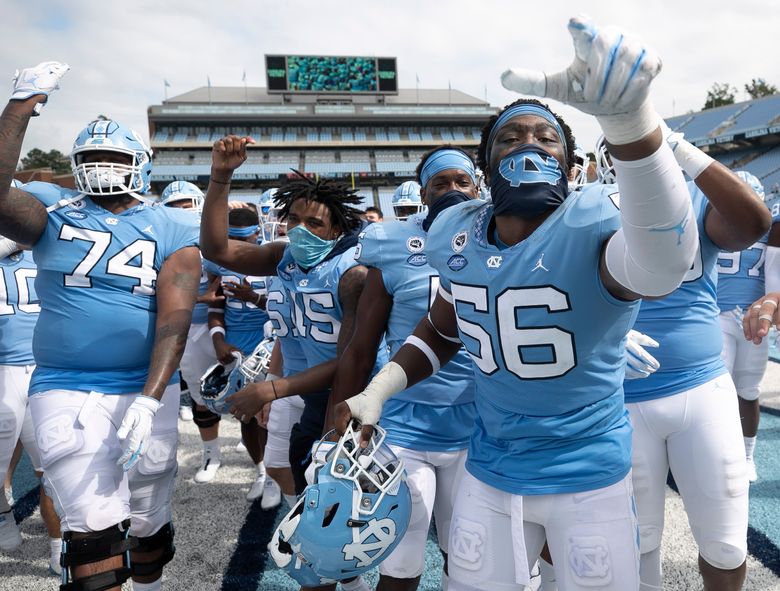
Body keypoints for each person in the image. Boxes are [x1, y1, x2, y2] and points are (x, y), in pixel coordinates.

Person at [336, 16, 701, 590]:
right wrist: (380, 389)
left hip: (587, 470)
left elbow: (664, 264)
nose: (527, 143)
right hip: (491, 466)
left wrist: (631, 123)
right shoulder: (455, 232)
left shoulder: (594, 218)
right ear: (485, 167)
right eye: (509, 136)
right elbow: (446, 323)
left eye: (545, 136)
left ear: (569, 162)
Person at [0, 63, 201, 591]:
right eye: (92, 159)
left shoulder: (172, 222)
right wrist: (21, 105)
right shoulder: (52, 207)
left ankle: (151, 582)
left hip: (145, 384)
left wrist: (151, 397)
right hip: (65, 385)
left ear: (139, 164)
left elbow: (173, 323)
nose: (103, 168)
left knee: (149, 511)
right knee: (91, 531)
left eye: (113, 158)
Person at [200, 145, 381, 591]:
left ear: (338, 227)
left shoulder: (352, 273)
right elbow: (216, 247)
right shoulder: (282, 255)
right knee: (309, 497)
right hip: (301, 390)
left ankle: (342, 574)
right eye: (293, 220)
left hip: (343, 399)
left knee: (332, 505)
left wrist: (272, 390)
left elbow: (348, 362)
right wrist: (220, 176)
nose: (299, 230)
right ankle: (345, 575)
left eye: (313, 222)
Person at [598, 128, 770, 589]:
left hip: (701, 389)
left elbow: (754, 224)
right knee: (638, 543)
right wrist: (604, 336)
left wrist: (676, 147)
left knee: (727, 544)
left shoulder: (693, 198)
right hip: (618, 399)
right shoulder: (585, 210)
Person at [327, 145, 480, 591]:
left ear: (477, 186)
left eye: (461, 181)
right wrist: (336, 422)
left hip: (478, 425)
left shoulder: (499, 234)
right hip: (404, 423)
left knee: (470, 557)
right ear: (424, 193)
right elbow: (361, 345)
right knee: (400, 557)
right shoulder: (393, 242)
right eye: (440, 183)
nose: (452, 190)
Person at [202, 206, 278, 505]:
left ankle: (274, 472)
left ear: (257, 234)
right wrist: (218, 341)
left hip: (272, 346)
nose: (237, 244)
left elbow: (286, 309)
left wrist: (254, 298)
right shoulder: (218, 263)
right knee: (246, 416)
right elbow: (215, 307)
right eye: (231, 238)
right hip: (238, 348)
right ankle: (260, 470)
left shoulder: (276, 258)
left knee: (272, 416)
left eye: (242, 238)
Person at [0, 229, 63, 574]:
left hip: (45, 365)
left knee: (52, 463)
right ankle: (4, 515)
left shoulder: (46, 252)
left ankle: (58, 544)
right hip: (2, 370)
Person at [716, 172, 780, 482]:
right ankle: (717, 452)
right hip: (716, 315)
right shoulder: (712, 226)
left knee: (748, 390)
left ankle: (746, 454)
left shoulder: (769, 230)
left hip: (752, 318)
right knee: (717, 387)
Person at [159, 180, 214, 424]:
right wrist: (202, 297)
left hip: (218, 321)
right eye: (174, 206)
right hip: (185, 323)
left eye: (186, 205)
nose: (181, 211)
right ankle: (211, 450)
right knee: (195, 384)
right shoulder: (160, 242)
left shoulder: (214, 237)